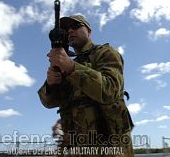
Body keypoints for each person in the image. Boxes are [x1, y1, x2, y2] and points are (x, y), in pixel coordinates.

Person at [38, 15, 134, 157]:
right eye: (66, 29)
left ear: (88, 30)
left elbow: (110, 90)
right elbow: (49, 103)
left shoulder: (105, 53)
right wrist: (51, 84)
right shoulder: (66, 64)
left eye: (76, 26)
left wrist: (72, 68)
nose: (70, 31)